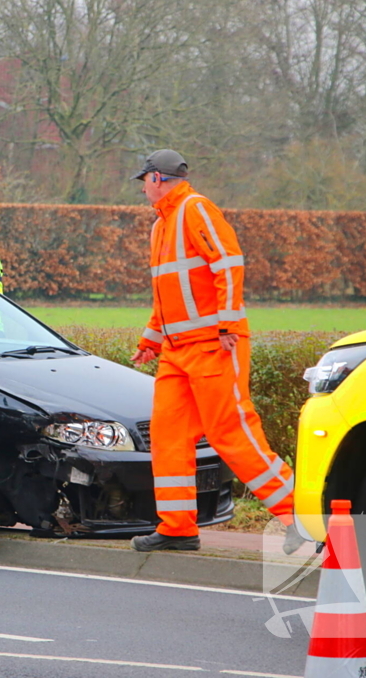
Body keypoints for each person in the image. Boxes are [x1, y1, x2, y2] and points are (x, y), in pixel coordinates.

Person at [129, 149, 305, 555]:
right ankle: (177, 529)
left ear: (157, 179)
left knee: (233, 434)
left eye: (144, 181)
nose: (142, 189)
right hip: (176, 352)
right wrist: (151, 340)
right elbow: (168, 294)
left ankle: (301, 518)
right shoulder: (161, 227)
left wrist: (226, 323)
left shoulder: (195, 208)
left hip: (214, 344)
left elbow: (228, 263)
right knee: (168, 438)